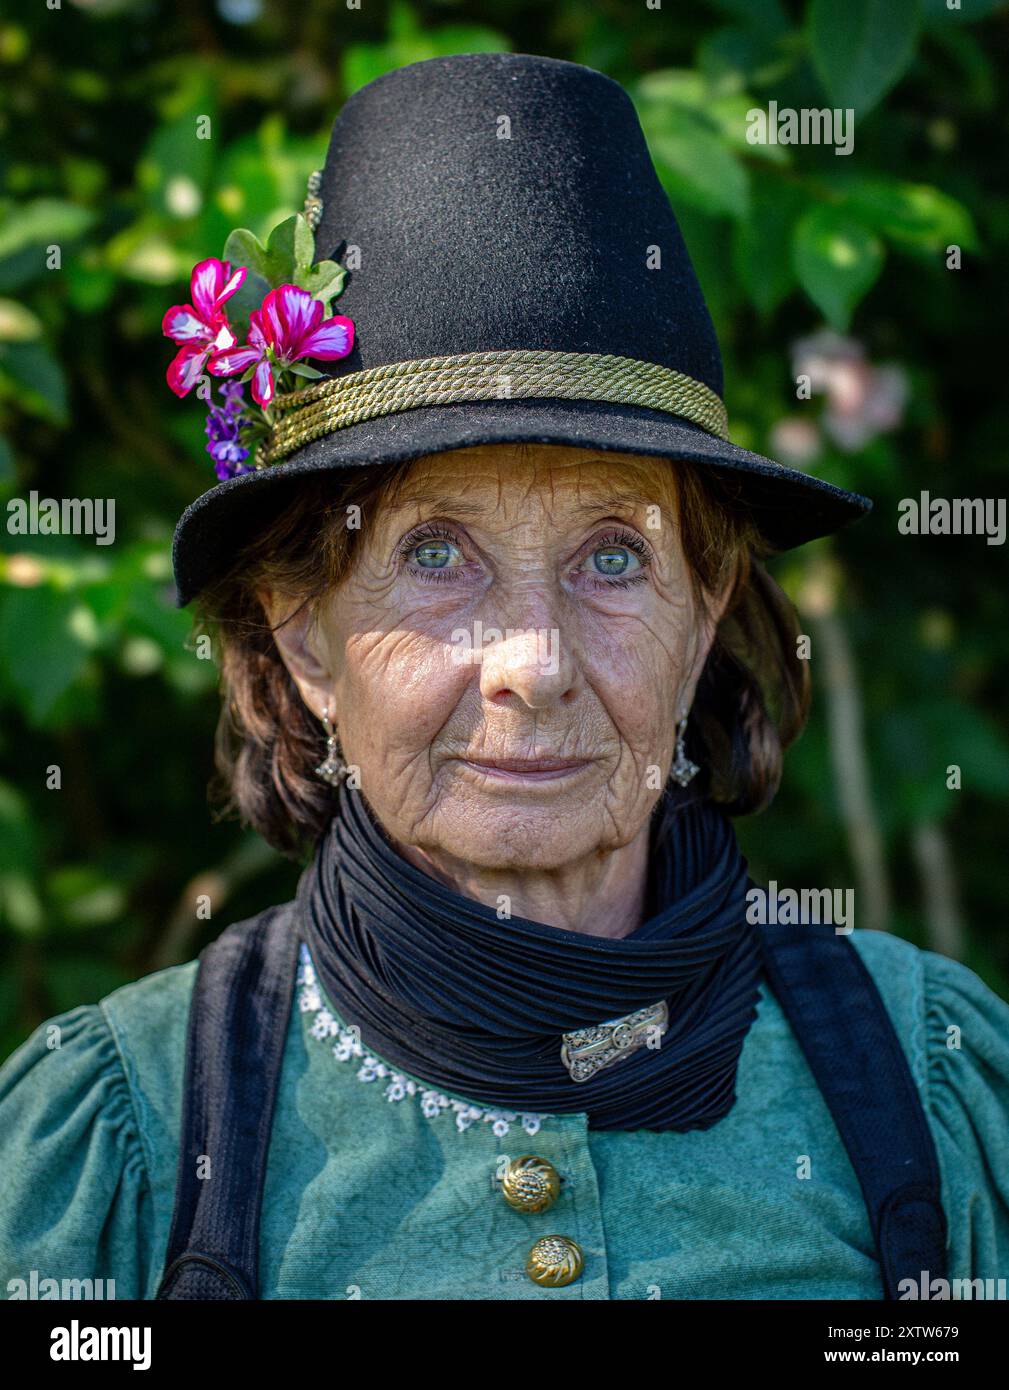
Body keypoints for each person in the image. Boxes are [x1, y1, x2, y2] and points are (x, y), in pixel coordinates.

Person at [1, 52, 1006, 1302]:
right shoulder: (128, 1136)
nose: (531, 664)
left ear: (699, 622)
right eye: (433, 553)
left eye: (611, 556)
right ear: (306, 637)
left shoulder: (931, 1078)